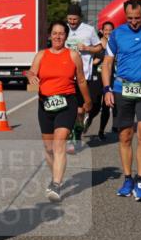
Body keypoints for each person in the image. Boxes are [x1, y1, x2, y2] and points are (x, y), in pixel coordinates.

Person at [102, 0, 141, 202]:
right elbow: (107, 63)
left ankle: (140, 180)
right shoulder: (117, 34)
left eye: (137, 18)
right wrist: (107, 89)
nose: (134, 22)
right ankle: (128, 178)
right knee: (125, 136)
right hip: (123, 88)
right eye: (130, 18)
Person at [26, 21, 92, 202]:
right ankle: (56, 174)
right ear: (49, 35)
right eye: (54, 33)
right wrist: (31, 77)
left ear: (66, 36)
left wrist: (87, 101)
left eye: (61, 33)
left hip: (66, 103)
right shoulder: (41, 55)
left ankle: (56, 183)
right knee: (48, 148)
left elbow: (81, 81)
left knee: (59, 142)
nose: (57, 37)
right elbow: (32, 72)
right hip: (45, 104)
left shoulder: (73, 55)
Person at [64, 4, 102, 152]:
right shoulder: (64, 30)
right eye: (69, 19)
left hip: (83, 76)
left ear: (80, 18)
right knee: (68, 110)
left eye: (75, 19)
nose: (72, 22)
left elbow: (99, 47)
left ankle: (77, 135)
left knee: (80, 111)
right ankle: (70, 139)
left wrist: (87, 49)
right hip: (66, 76)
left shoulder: (89, 30)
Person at [94, 21, 115, 140]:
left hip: (110, 76)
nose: (108, 32)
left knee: (107, 105)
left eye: (110, 30)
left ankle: (101, 130)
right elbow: (90, 59)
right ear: (102, 31)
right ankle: (89, 119)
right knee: (95, 104)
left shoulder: (115, 43)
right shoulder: (96, 43)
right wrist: (96, 60)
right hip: (97, 75)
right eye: (106, 30)